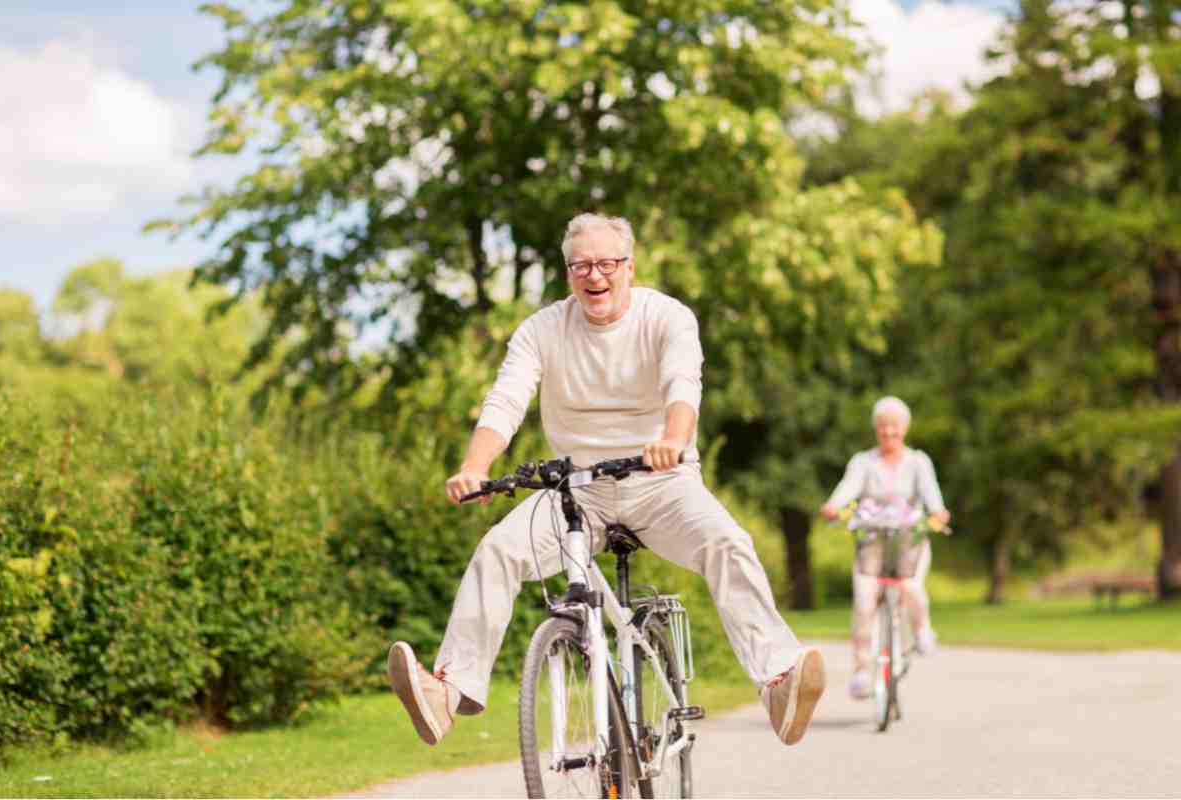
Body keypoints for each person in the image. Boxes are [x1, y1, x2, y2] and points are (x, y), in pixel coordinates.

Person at [387, 212, 825, 748]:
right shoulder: (542, 329)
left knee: (728, 543)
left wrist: (672, 438)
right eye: (581, 266)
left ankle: (778, 682)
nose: (594, 276)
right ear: (568, 272)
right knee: (498, 550)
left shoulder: (667, 317)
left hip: (661, 482)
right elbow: (505, 400)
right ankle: (447, 693)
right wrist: (474, 467)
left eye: (606, 264)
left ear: (629, 267)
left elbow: (683, 384)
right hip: (577, 490)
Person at [820, 396, 950, 700]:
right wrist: (833, 506)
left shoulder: (918, 462)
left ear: (904, 428)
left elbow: (933, 497)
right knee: (864, 602)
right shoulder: (863, 462)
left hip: (908, 541)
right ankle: (862, 672)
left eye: (894, 426)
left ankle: (921, 630)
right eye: (882, 427)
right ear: (875, 429)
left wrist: (938, 512)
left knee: (910, 586)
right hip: (872, 542)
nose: (888, 432)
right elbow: (846, 490)